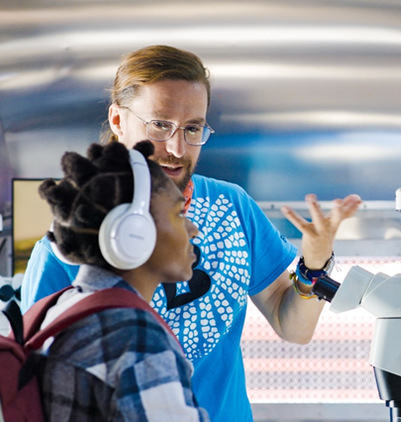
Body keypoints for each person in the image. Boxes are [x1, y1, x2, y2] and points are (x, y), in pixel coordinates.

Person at [21, 45, 362, 421]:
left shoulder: (233, 206)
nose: (177, 147)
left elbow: (294, 328)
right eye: (159, 125)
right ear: (118, 120)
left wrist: (314, 263)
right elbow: (37, 386)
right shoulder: (65, 247)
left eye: (193, 128)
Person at [33, 140, 209, 421]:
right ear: (134, 231)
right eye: (178, 213)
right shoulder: (134, 336)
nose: (193, 229)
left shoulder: (64, 306)